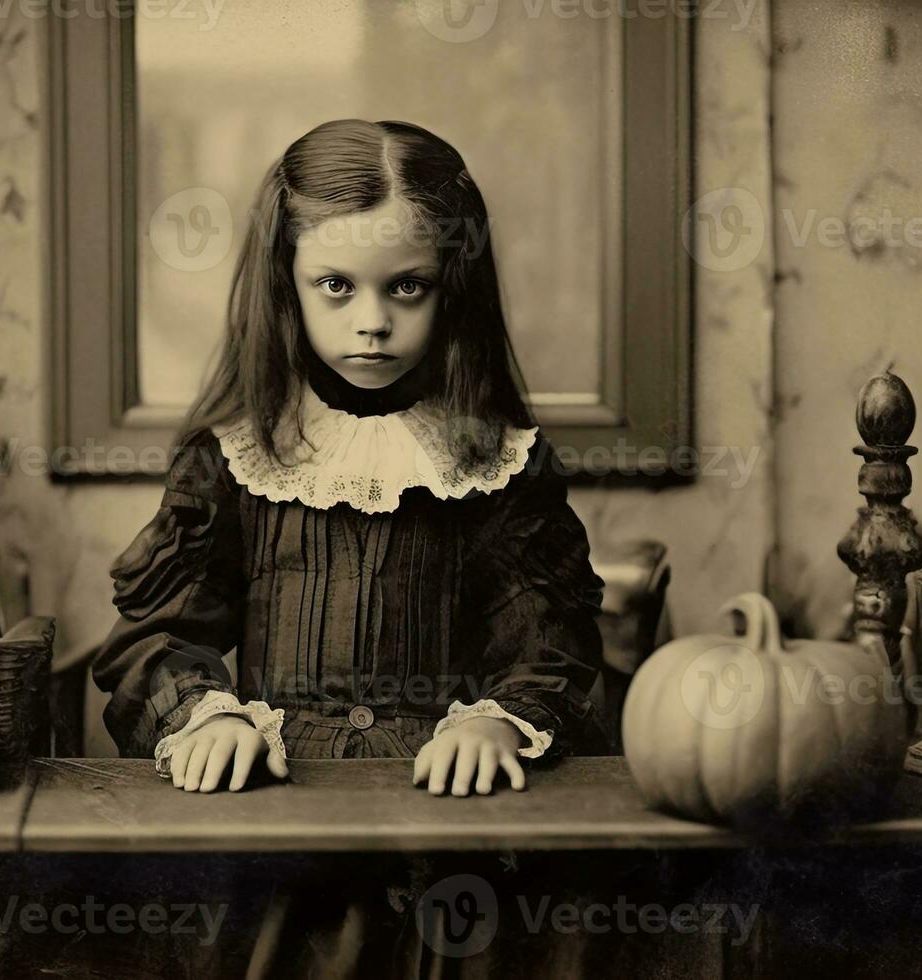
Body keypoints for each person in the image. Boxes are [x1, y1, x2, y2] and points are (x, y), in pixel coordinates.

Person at [90, 118, 610, 975]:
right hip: (280, 823)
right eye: (335, 284)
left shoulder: (497, 462)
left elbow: (549, 637)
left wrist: (497, 723)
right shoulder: (234, 455)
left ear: (454, 289)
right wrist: (205, 713)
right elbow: (156, 633)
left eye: (406, 288)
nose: (371, 322)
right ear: (284, 284)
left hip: (446, 824)